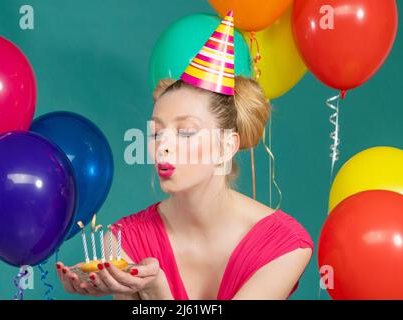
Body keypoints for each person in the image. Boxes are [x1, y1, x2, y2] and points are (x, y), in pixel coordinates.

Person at [56, 10, 313, 300]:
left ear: (226, 147)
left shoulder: (284, 245)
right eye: (156, 133)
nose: (163, 146)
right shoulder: (123, 242)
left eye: (186, 132)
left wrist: (157, 290)